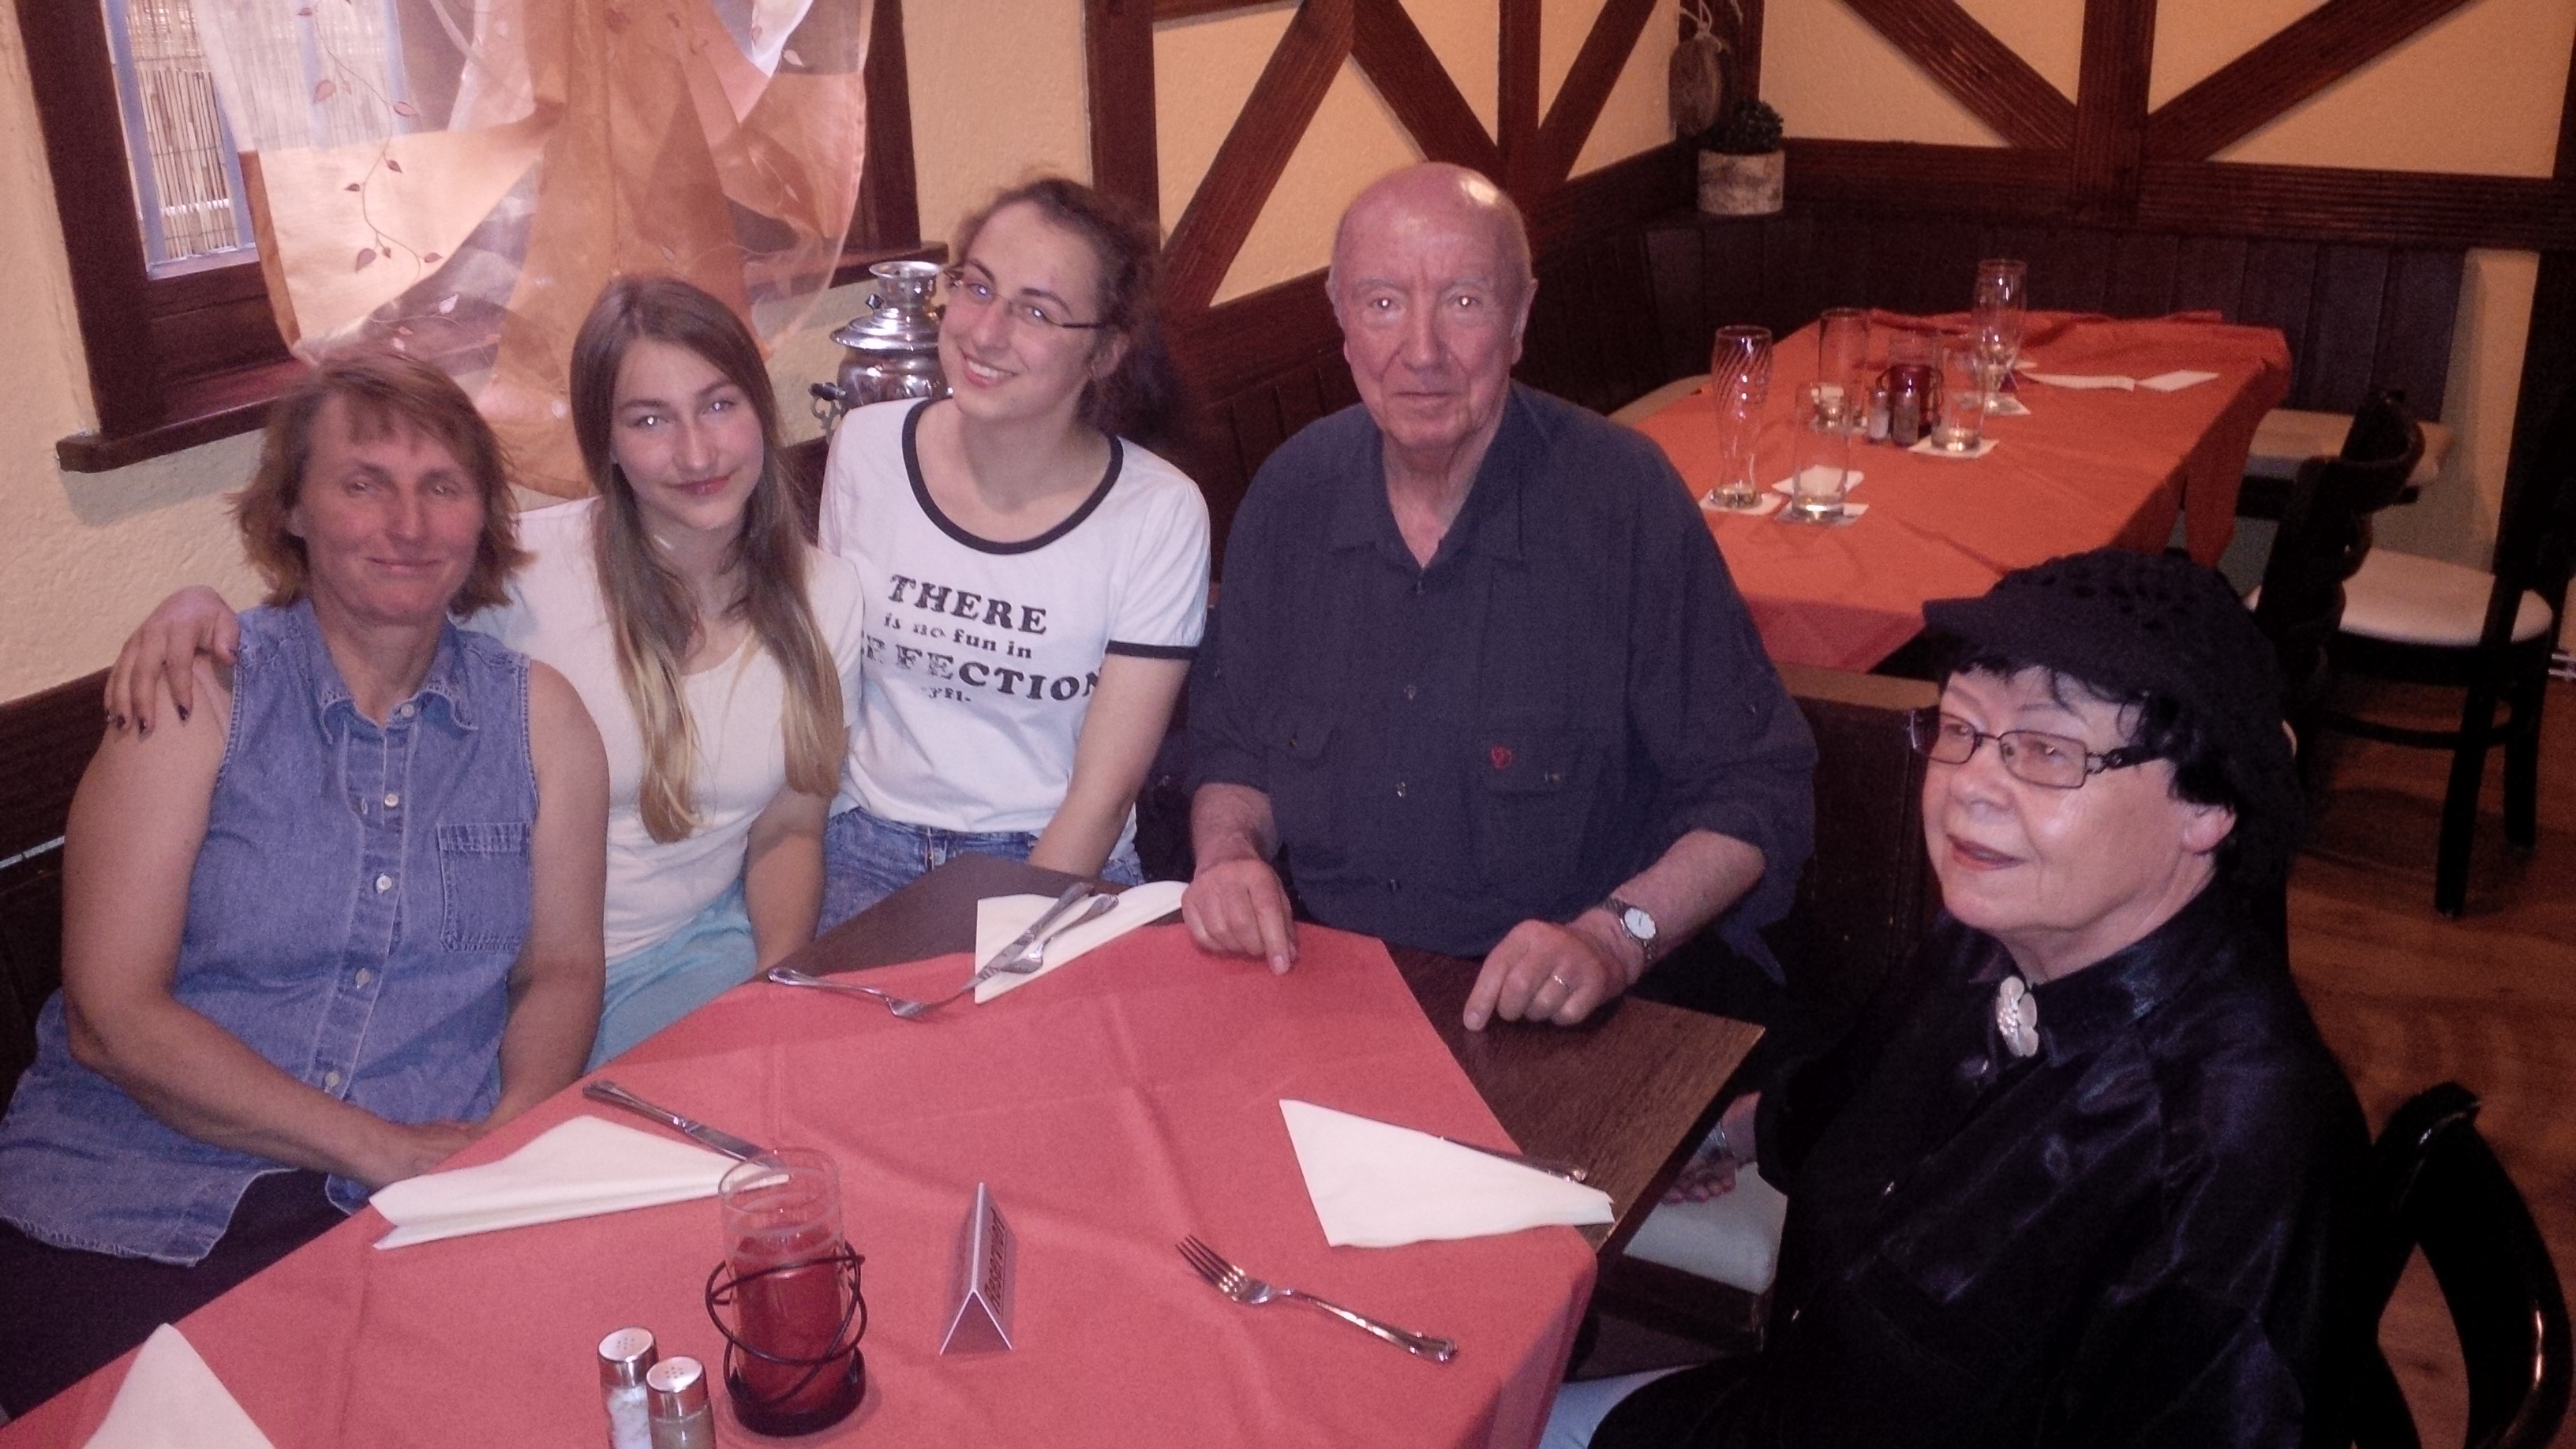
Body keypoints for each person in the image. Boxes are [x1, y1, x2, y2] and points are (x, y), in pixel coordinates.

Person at [1547, 549, 2373, 1449]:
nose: (1971, 785)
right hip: (1782, 1410)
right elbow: (1838, 1099)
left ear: (2207, 805)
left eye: (2048, 751)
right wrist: (1721, 1138)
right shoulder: (1995, 938)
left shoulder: (2229, 1153)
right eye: (1960, 730)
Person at [0, 352, 609, 1416]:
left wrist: (508, 1136)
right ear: (291, 508)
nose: (407, 524)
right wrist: (383, 1150)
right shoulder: (200, 695)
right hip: (130, 1199)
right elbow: (110, 1017)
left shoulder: (540, 719)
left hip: (410, 1206)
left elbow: (560, 966)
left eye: (442, 486)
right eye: (363, 483)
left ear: (482, 518)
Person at [105, 279, 870, 1066]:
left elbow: (789, 828)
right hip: (498, 989)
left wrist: (777, 982)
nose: (697, 453)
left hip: (694, 954)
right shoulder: (525, 579)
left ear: (761, 409)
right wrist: (198, 610)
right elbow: (355, 616)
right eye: (649, 419)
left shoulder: (829, 597)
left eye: (719, 405)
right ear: (603, 442)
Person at [1181, 162, 1814, 1032]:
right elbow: (1235, 751)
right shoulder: (1291, 496)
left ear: (1519, 321)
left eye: (1465, 301)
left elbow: (1754, 789)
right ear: (1342, 323)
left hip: (1565, 1012)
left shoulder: (1622, 499)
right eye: (1382, 303)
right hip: (1320, 981)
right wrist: (1227, 858)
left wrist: (1614, 938)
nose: (1423, 351)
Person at [815, 177, 1210, 927]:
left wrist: (1007, 947)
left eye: (1036, 311)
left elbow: (1102, 797)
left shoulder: (1158, 512)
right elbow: (829, 701)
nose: (985, 332)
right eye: (976, 287)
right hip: (865, 845)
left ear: (1105, 352)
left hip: (1057, 856)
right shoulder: (865, 449)